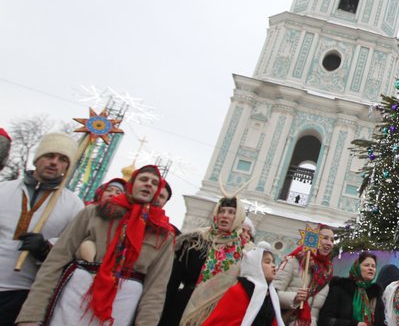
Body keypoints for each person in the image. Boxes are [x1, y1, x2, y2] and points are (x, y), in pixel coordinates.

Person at [16, 165, 175, 326]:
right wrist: (31, 316)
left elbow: (156, 290)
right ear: (131, 184)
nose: (149, 184)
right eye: (143, 179)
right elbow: (54, 262)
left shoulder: (162, 234)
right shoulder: (94, 213)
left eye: (154, 183)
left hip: (122, 307)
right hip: (75, 299)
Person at [0, 132, 83, 326]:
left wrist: (46, 248)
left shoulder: (73, 205)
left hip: (25, 293)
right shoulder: (4, 189)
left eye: (62, 159)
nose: (54, 162)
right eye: (49, 155)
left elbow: (73, 247)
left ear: (67, 167)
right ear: (37, 159)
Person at [159, 196, 249, 326]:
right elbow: (173, 281)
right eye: (221, 211)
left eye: (231, 212)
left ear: (239, 216)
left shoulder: (245, 250)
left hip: (219, 314)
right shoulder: (195, 241)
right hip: (183, 308)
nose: (225, 216)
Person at [200, 247, 284, 326]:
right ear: (255, 266)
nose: (273, 265)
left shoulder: (272, 297)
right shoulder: (238, 291)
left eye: (273, 262)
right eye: (267, 262)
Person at [273, 224, 336, 326]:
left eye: (332, 240)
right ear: (314, 239)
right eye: (325, 238)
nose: (329, 243)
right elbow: (271, 293)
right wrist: (294, 298)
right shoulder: (293, 261)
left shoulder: (326, 273)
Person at [318, 252, 384, 326]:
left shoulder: (375, 294)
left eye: (373, 266)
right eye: (366, 265)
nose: (371, 268)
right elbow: (325, 320)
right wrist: (354, 324)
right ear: (357, 268)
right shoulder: (340, 289)